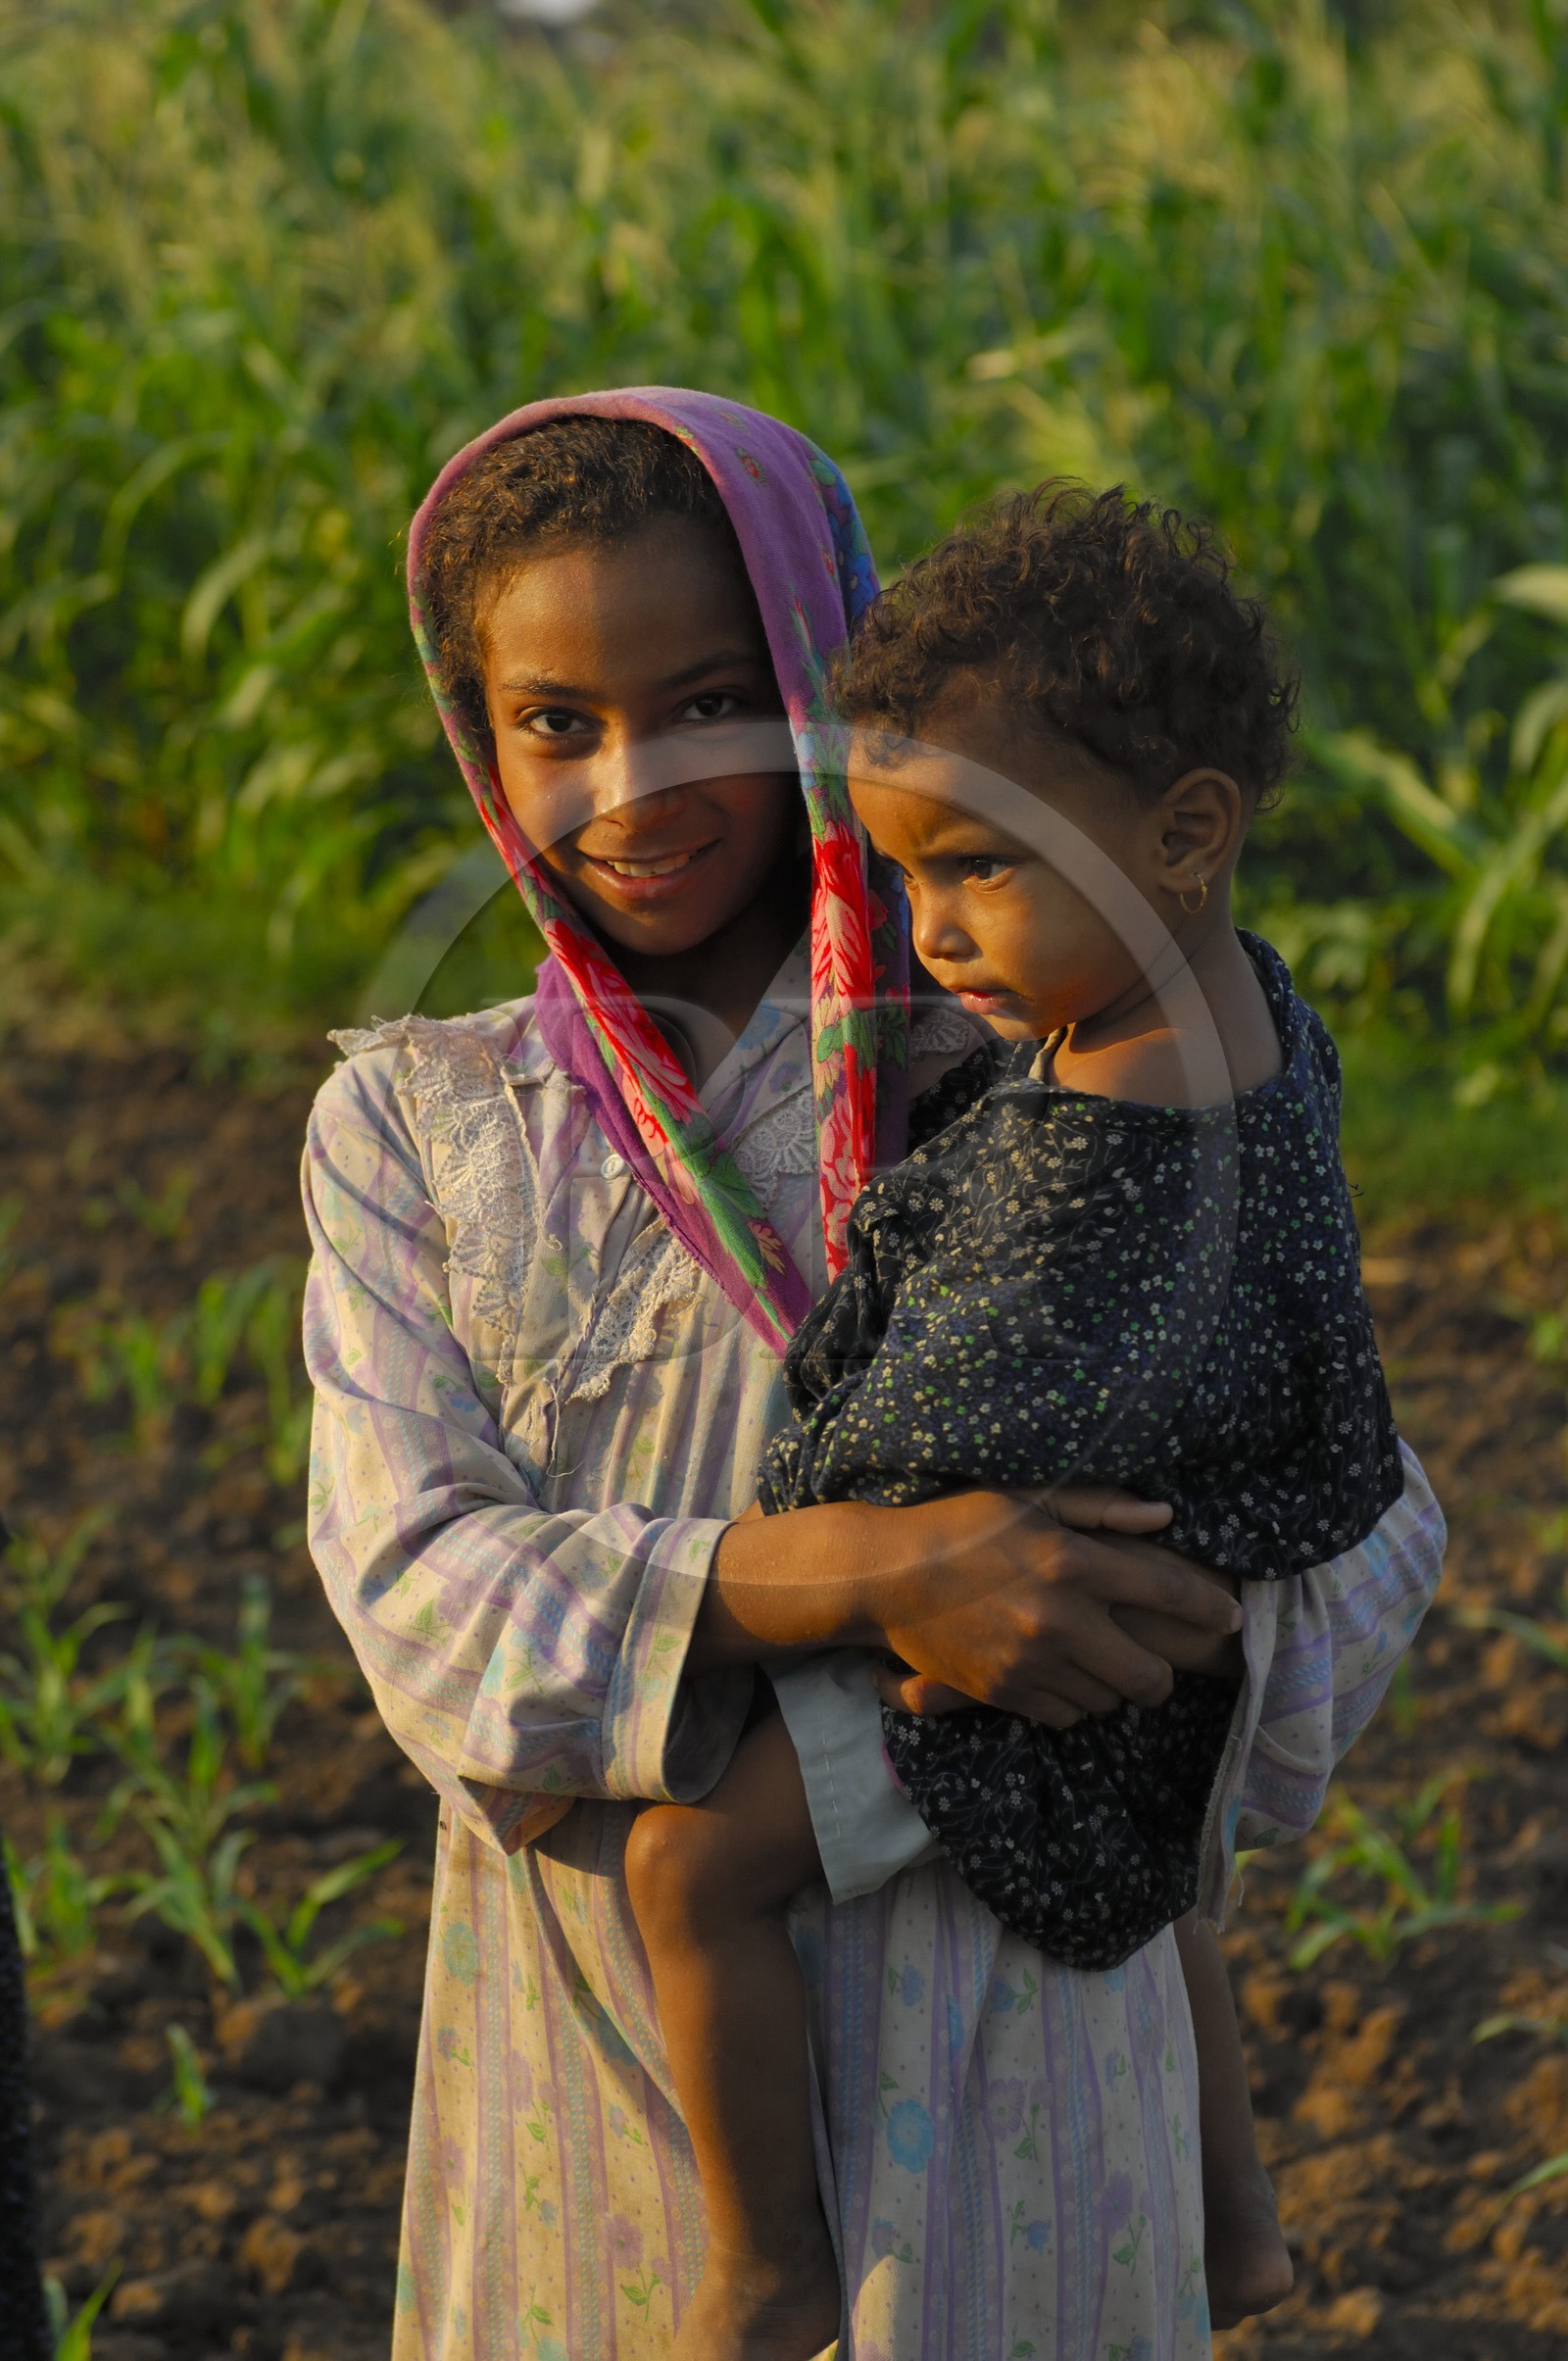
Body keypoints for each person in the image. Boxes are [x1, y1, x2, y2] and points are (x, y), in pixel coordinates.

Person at [302, 392, 1446, 2361]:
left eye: (710, 703)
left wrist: (1148, 1617)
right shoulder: (421, 1124)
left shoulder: (1036, 1041)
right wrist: (876, 1573)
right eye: (551, 722)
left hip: (1019, 2049)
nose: (630, 783)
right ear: (472, 734)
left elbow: (1355, 1502)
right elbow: (422, 1591)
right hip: (594, 2048)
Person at [622, 484, 1410, 2356]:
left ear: (1188, 830)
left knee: (685, 1867)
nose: (933, 928)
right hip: (1176, 1611)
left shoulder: (1093, 1162)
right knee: (1154, 1890)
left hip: (1022, 1644)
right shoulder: (1229, 1012)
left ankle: (764, 2256)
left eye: (978, 868)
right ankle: (1236, 2224)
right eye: (902, 872)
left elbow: (942, 1422)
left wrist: (816, 1515)